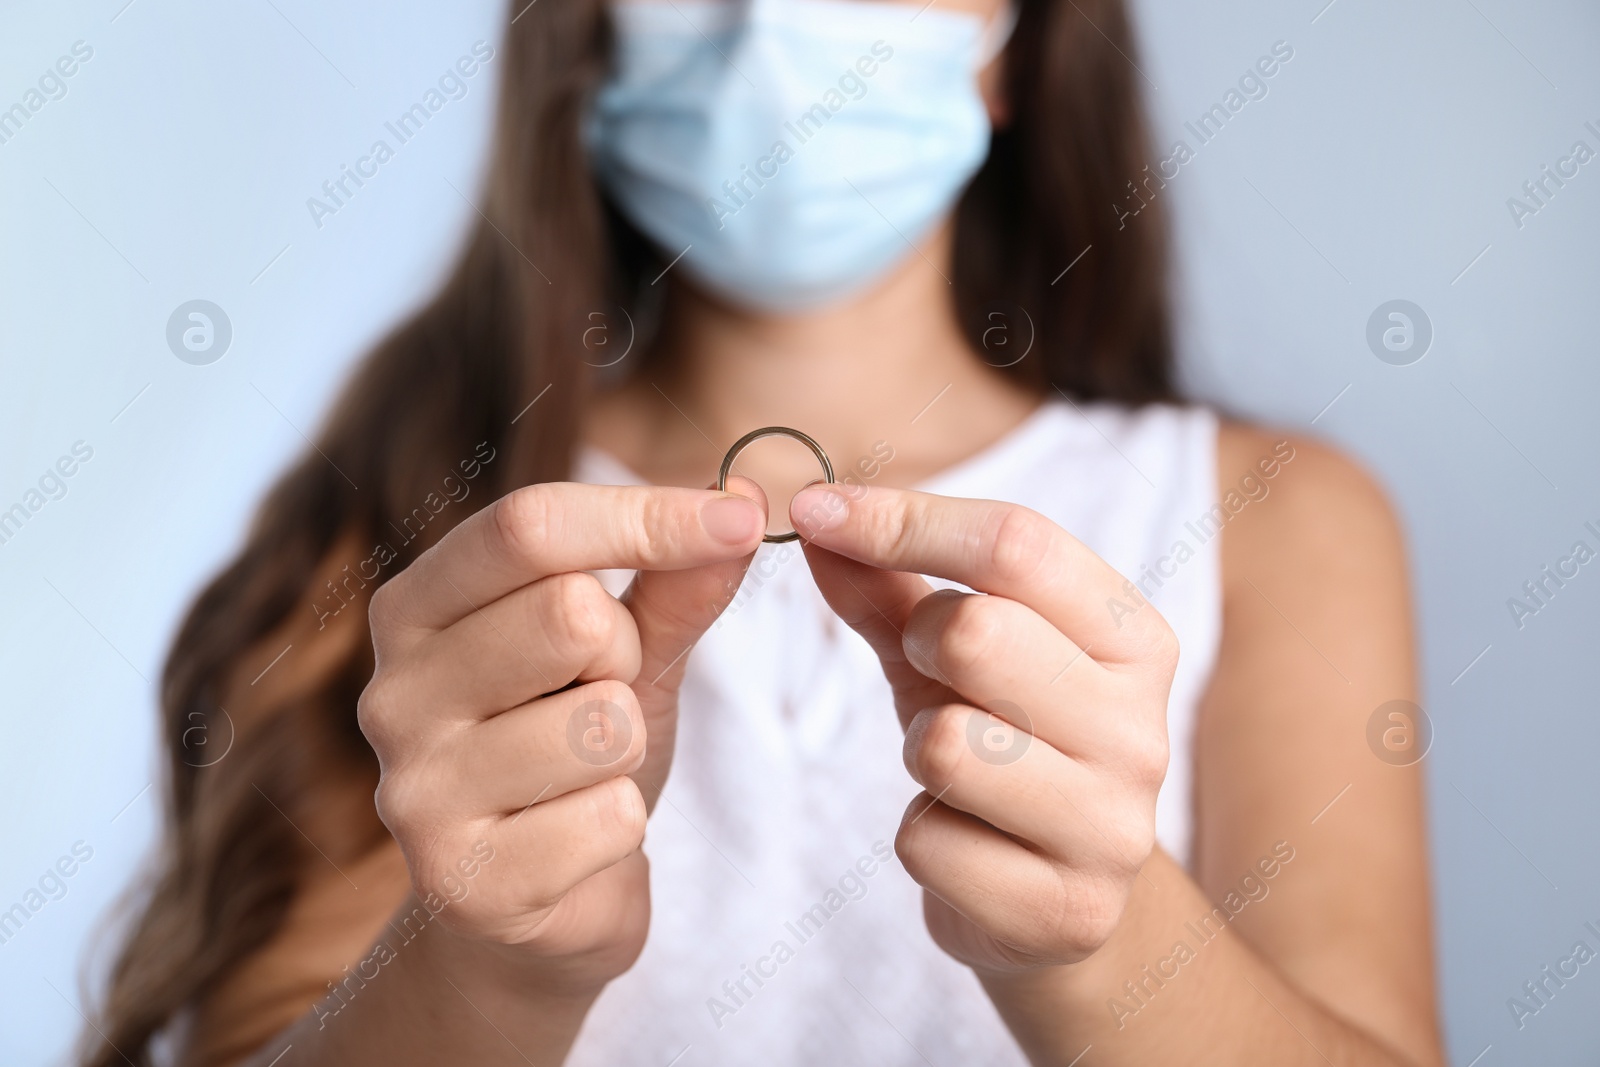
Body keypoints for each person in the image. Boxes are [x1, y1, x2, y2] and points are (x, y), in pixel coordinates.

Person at [81, 1, 1444, 1064]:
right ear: (587, 33)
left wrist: (1097, 945)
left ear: (1015, 52)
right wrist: (490, 968)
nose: (771, 27)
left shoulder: (1273, 522)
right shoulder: (419, 514)